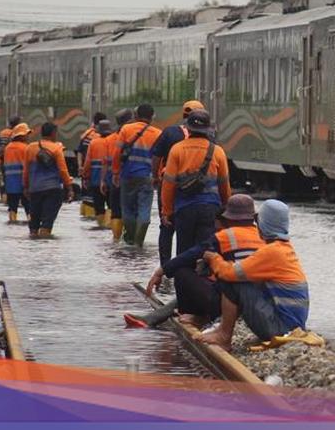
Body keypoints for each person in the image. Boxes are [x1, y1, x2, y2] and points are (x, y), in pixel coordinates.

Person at [127, 194, 264, 329]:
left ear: (228, 218)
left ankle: (196, 316)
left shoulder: (224, 236)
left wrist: (161, 271)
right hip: (257, 305)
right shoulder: (264, 238)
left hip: (228, 304)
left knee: (182, 272)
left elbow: (190, 255)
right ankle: (156, 317)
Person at [197, 199, 309, 348]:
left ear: (264, 224)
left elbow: (229, 273)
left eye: (257, 220)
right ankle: (221, 329)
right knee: (244, 279)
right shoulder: (284, 248)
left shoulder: (272, 252)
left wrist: (214, 258)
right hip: (291, 327)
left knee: (231, 282)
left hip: (281, 329)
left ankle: (224, 336)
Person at [160, 108, 229, 263]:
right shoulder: (217, 152)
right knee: (206, 251)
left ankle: (183, 283)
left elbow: (168, 184)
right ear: (207, 129)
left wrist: (167, 211)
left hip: (184, 209)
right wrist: (226, 208)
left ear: (188, 128)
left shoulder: (177, 149)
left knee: (184, 252)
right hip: (210, 210)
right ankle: (203, 283)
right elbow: (224, 184)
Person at [152, 100, 205, 264]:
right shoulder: (209, 138)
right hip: (196, 189)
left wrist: (155, 177)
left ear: (183, 115)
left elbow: (156, 156)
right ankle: (188, 268)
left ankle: (166, 267)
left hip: (168, 184)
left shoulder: (169, 133)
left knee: (166, 226)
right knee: (190, 230)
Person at [109, 104, 162, 247]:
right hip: (147, 177)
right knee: (144, 208)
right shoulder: (157, 133)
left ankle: (130, 240)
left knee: (127, 209)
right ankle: (139, 243)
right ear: (152, 117)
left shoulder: (126, 129)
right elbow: (160, 158)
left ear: (136, 115)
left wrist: (115, 172)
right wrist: (157, 176)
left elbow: (117, 153)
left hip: (127, 175)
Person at [24, 122, 73, 239]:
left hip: (35, 190)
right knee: (47, 223)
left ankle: (33, 252)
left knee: (33, 226)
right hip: (52, 190)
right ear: (53, 133)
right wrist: (69, 188)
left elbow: (26, 171)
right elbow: (63, 171)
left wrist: (26, 187)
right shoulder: (56, 148)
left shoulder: (30, 148)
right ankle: (45, 251)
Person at [102, 109, 133, 242]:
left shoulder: (109, 139)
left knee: (115, 211)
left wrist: (103, 181)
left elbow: (105, 162)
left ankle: (115, 239)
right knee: (130, 210)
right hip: (129, 178)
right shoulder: (132, 135)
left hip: (113, 180)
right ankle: (130, 239)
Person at [82, 119, 114, 228]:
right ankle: (111, 228)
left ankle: (101, 228)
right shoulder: (114, 141)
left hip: (95, 181)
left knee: (99, 207)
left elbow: (87, 163)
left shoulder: (93, 143)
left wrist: (85, 177)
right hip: (112, 180)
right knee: (112, 206)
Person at [75, 112, 107, 218]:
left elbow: (79, 152)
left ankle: (91, 222)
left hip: (87, 173)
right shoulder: (101, 138)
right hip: (99, 175)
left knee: (87, 200)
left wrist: (80, 167)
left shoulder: (86, 135)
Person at [2, 123, 31, 223]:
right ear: (21, 135)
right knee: (28, 206)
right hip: (23, 182)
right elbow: (27, 167)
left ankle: (12, 223)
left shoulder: (8, 148)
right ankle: (31, 224)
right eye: (27, 134)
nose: (28, 136)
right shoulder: (25, 148)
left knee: (12, 206)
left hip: (10, 182)